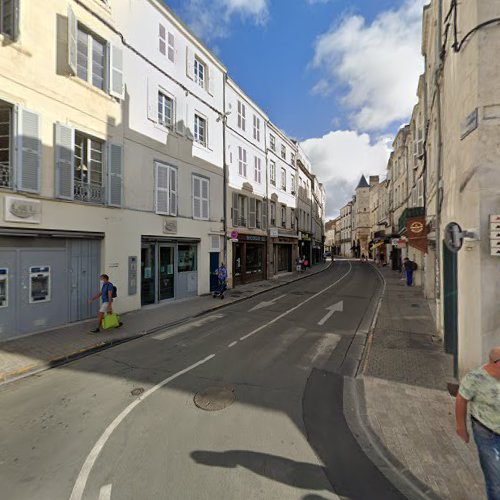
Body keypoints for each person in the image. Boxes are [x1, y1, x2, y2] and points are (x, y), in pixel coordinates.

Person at [455, 347, 500, 500]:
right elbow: (461, 399)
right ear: (497, 363)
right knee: (495, 478)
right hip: (487, 433)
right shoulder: (476, 378)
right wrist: (461, 427)